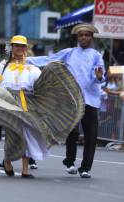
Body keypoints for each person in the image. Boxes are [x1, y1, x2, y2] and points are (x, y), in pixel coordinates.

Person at [27, 23, 105, 178]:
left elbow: (101, 78)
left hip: (91, 100)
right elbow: (49, 59)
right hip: (72, 99)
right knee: (73, 132)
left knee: (91, 135)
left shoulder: (97, 55)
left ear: (91, 37)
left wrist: (99, 77)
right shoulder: (69, 53)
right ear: (77, 37)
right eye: (81, 35)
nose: (84, 37)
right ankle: (69, 161)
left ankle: (85, 168)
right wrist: (26, 59)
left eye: (87, 35)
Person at [0, 35, 46, 178]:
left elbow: (40, 85)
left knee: (26, 134)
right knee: (12, 133)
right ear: (12, 48)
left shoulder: (31, 68)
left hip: (27, 103)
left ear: (26, 48)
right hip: (9, 102)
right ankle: (7, 159)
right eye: (16, 46)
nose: (19, 48)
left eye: (22, 46)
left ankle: (25, 169)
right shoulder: (2, 67)